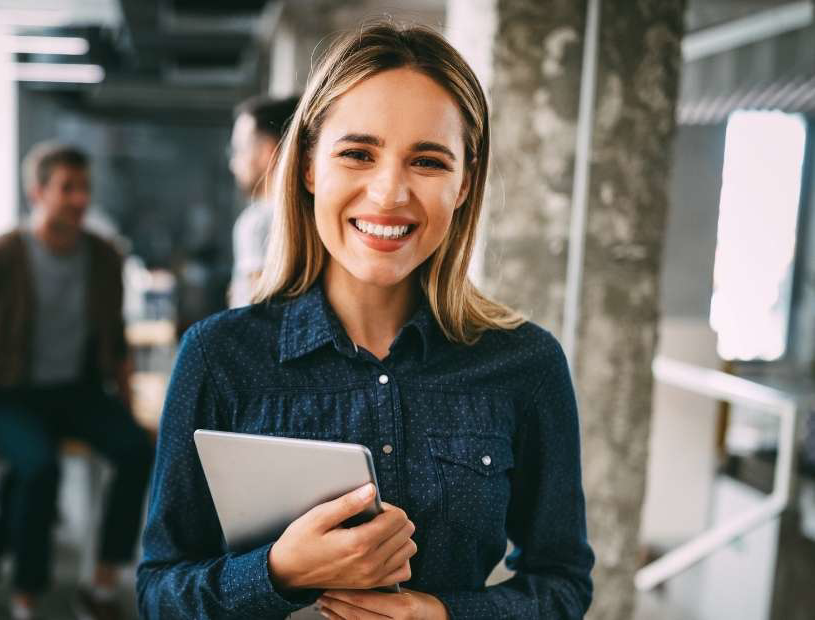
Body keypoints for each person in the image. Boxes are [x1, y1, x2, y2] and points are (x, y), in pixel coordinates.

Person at [137, 21, 594, 620]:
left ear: (463, 185)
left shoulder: (524, 364)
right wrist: (277, 573)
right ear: (306, 168)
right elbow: (158, 593)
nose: (387, 194)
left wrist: (443, 615)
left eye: (427, 162)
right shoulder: (219, 355)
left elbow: (562, 584)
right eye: (357, 153)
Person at [0, 142, 153, 620]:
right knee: (40, 467)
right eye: (67, 188)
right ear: (37, 193)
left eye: (84, 188)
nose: (79, 199)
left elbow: (115, 343)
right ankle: (26, 596)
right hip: (7, 392)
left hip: (76, 389)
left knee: (136, 450)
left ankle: (103, 584)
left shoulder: (104, 257)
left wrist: (127, 408)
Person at [228, 94, 300, 308]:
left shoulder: (256, 222)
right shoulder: (313, 215)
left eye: (239, 150)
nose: (233, 163)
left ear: (268, 152)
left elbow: (255, 309)